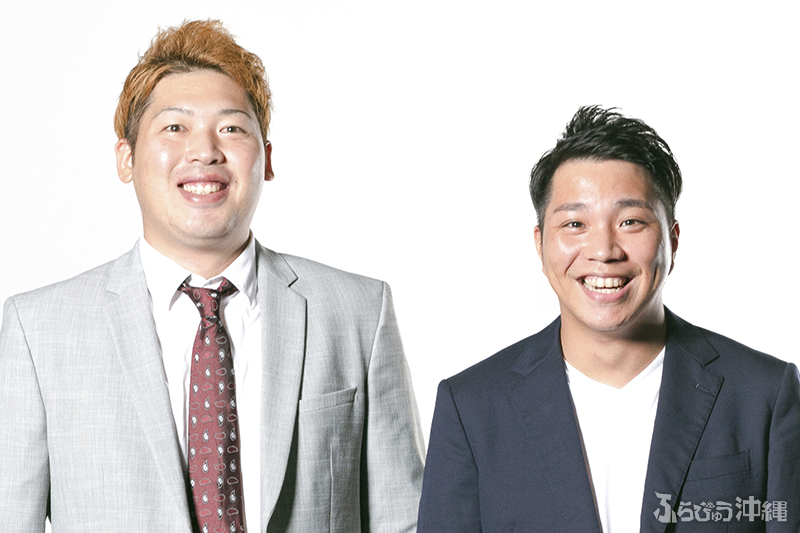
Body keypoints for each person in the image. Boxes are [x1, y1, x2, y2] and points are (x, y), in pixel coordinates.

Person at [0, 19, 424, 533]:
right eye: (174, 127)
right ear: (126, 158)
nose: (205, 151)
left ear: (267, 159)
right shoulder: (38, 330)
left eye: (231, 128)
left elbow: (404, 520)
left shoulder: (358, 312)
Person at [417, 106, 800, 532]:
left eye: (631, 221)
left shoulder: (763, 394)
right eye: (575, 223)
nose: (603, 250)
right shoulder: (471, 408)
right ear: (540, 245)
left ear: (672, 240)